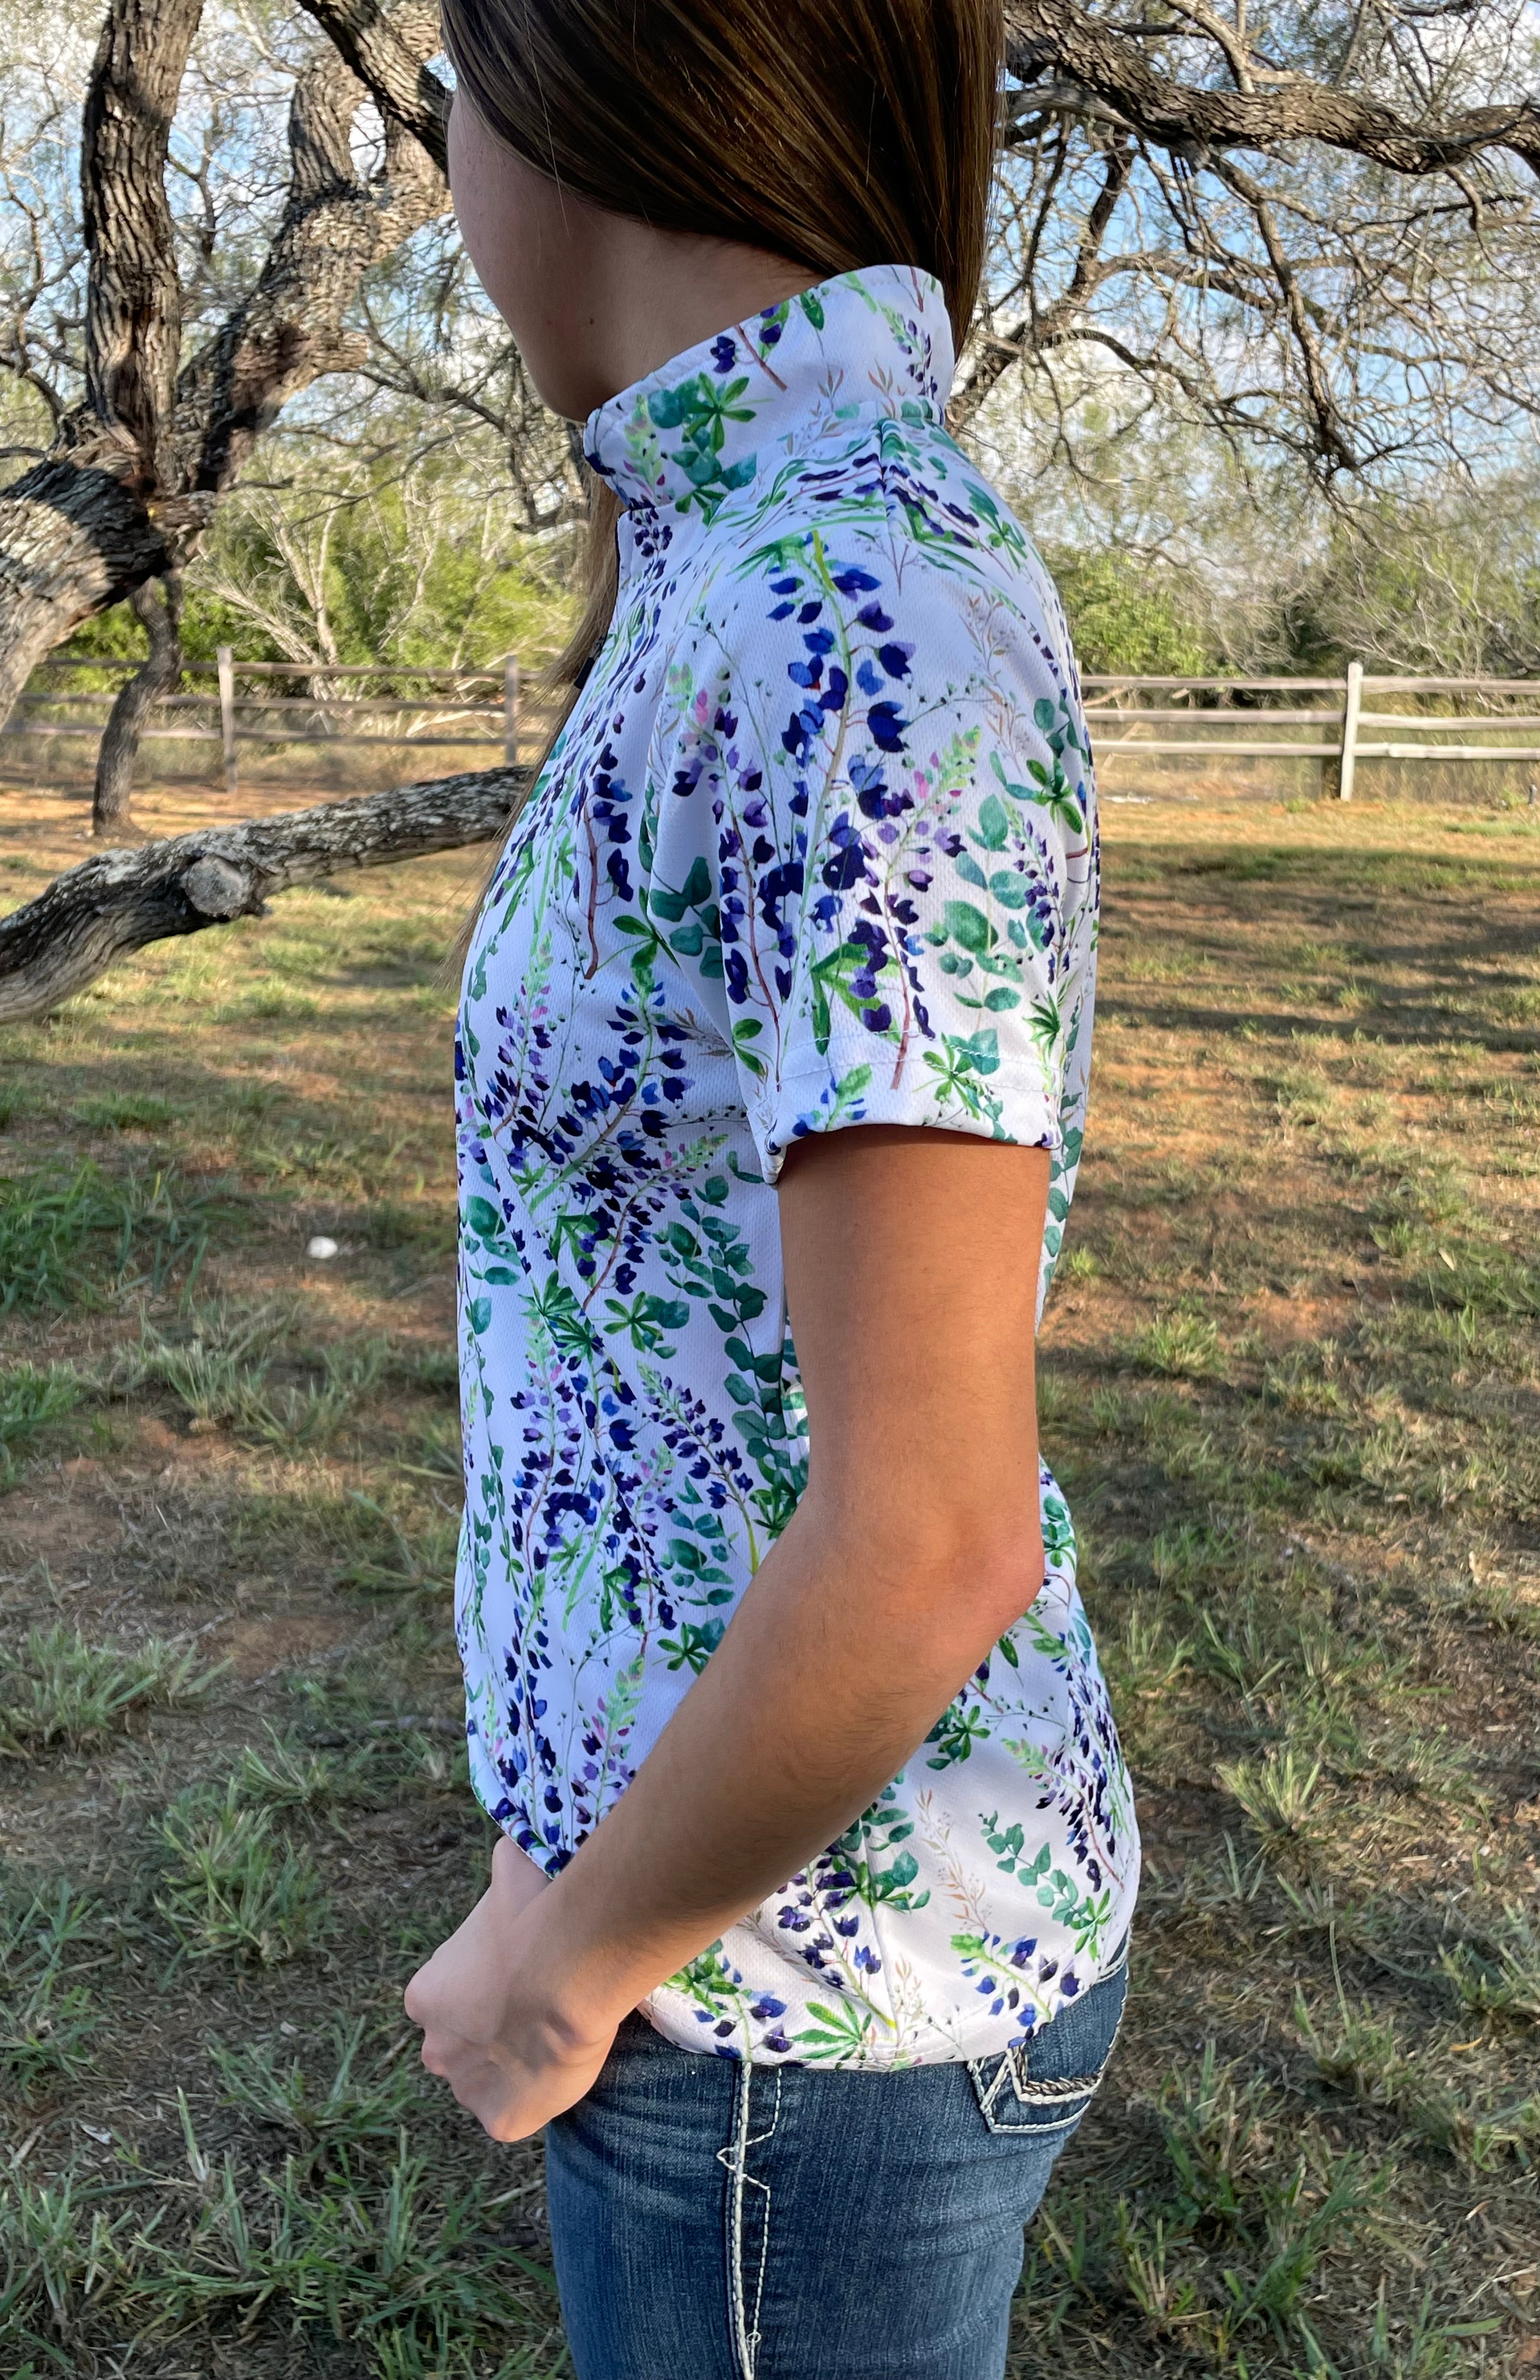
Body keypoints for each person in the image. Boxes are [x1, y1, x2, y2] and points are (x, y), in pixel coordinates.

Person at [403, 4, 1140, 2372]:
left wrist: (565, 1966)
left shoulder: (848, 622)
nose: (434, 159)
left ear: (590, 80)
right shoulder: (749, 557)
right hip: (728, 1927)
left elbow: (932, 1533)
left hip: (788, 1997)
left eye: (446, 79)